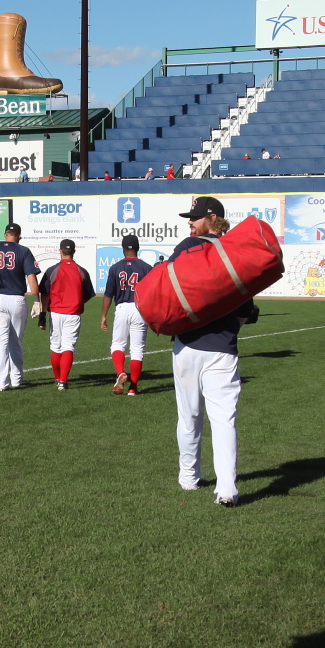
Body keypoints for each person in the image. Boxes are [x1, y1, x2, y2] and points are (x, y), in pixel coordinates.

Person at [168, 195, 255, 506]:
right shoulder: (234, 251)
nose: (190, 222)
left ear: (212, 217)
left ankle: (188, 478)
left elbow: (169, 291)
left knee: (189, 416)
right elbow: (247, 306)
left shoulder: (183, 248)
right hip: (222, 347)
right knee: (223, 419)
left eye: (194, 217)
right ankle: (227, 490)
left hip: (187, 344)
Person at [0, 222, 40, 391]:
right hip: (17, 300)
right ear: (19, 236)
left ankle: (1, 382)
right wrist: (37, 300)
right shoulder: (23, 251)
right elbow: (31, 278)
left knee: (0, 342)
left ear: (5, 234)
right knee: (15, 341)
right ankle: (17, 379)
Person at [38, 238, 95, 390]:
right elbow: (88, 294)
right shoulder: (82, 271)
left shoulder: (52, 270)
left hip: (56, 312)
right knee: (68, 346)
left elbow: (44, 294)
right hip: (73, 313)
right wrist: (77, 301)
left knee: (56, 346)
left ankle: (57, 378)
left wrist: (42, 317)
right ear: (74, 251)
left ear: (61, 251)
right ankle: (63, 381)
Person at [100, 235, 152, 396]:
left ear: (123, 249)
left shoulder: (115, 268)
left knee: (117, 344)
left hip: (122, 307)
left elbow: (108, 294)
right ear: (138, 248)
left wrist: (104, 315)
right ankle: (132, 388)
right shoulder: (147, 267)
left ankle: (121, 372)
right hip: (139, 309)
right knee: (137, 350)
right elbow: (152, 294)